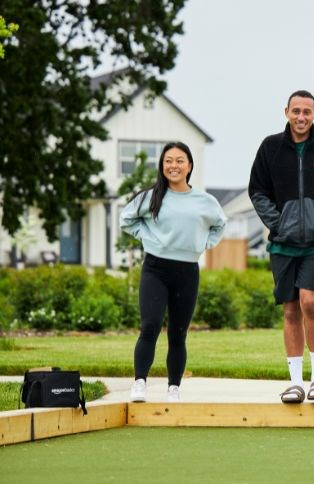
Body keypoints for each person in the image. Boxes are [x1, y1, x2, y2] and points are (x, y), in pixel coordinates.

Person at [248, 90, 314, 403]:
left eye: (307, 111)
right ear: (286, 112)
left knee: (309, 302)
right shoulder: (270, 148)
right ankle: (295, 383)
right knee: (291, 309)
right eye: (296, 111)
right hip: (283, 245)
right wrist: (278, 225)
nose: (301, 117)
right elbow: (257, 191)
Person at [120, 141, 227, 402]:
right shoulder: (151, 196)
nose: (173, 165)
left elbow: (220, 225)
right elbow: (126, 220)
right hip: (155, 269)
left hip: (187, 272)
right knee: (150, 326)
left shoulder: (205, 201)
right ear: (162, 166)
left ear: (189, 166)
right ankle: (139, 383)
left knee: (178, 332)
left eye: (179, 161)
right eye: (168, 161)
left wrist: (204, 244)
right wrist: (148, 238)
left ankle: (174, 388)